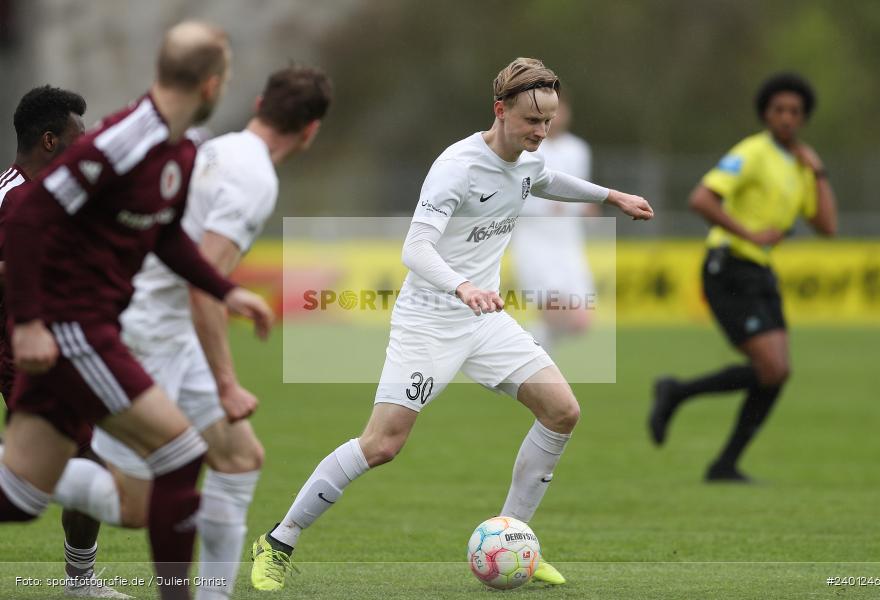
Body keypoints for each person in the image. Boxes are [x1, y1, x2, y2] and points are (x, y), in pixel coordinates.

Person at [249, 57, 653, 591]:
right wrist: (461, 285)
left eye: (549, 121)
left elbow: (546, 179)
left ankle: (512, 539)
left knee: (562, 411)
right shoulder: (457, 167)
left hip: (484, 320)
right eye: (533, 121)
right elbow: (414, 248)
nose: (542, 132)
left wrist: (611, 196)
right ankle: (279, 540)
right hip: (431, 320)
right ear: (500, 110)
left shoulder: (530, 160)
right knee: (382, 445)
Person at [0, 21, 274, 600]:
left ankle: (85, 580)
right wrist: (27, 322)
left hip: (92, 329)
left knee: (21, 498)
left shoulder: (174, 148)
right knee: (179, 453)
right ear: (212, 84)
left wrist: (225, 291)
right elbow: (25, 221)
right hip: (71, 329)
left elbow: (167, 237)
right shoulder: (123, 141)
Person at [90, 65, 332, 600]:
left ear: (260, 102)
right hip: (149, 336)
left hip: (171, 334)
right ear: (311, 130)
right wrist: (226, 382)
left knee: (240, 457)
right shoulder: (256, 178)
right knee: (130, 507)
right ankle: (20, 468)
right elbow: (204, 284)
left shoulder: (217, 148)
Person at [649, 72, 838, 482]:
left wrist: (819, 173)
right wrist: (750, 233)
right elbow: (701, 198)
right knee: (771, 369)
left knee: (778, 372)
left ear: (804, 118)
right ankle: (679, 399)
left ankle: (720, 458)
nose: (786, 118)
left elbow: (826, 226)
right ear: (766, 114)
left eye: (794, 112)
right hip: (729, 265)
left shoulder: (801, 166)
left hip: (760, 272)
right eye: (779, 110)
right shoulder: (753, 152)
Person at [0, 86, 131, 599]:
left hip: (49, 345)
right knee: (85, 462)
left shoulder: (61, 197)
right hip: (19, 348)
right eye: (80, 137)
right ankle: (81, 585)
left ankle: (81, 583)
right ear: (50, 140)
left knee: (89, 460)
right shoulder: (12, 197)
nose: (89, 144)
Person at [510, 92, 597, 353]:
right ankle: (525, 354)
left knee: (580, 321)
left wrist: (586, 207)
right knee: (555, 307)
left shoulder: (578, 149)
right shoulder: (526, 149)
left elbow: (581, 190)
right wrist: (547, 204)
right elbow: (513, 194)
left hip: (568, 239)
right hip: (534, 236)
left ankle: (525, 348)